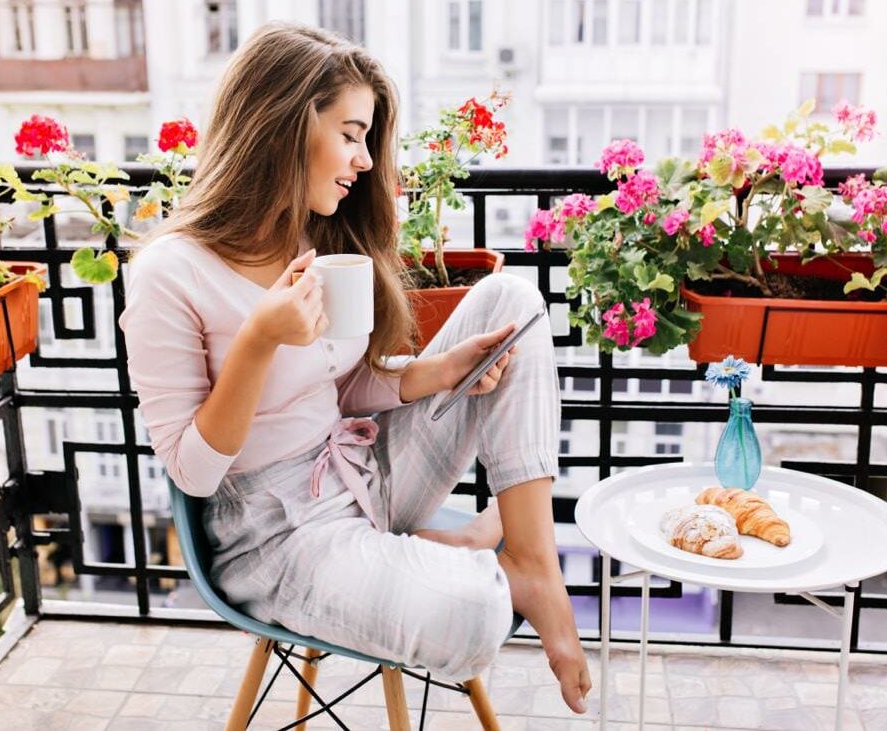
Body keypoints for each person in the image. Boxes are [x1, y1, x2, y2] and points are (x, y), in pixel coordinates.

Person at [118, 22, 590, 714]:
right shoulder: (169, 273)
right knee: (470, 608)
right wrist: (257, 340)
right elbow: (192, 470)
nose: (366, 160)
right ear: (281, 125)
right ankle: (459, 554)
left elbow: (339, 387)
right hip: (277, 534)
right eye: (350, 133)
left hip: (361, 468)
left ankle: (532, 563)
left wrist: (431, 371)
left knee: (513, 300)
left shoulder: (313, 240)